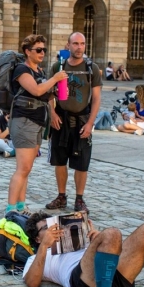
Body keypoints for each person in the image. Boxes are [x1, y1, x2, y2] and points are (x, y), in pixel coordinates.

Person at [7, 34, 67, 214]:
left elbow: (44, 95)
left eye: (44, 50)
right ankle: (10, 210)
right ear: (27, 51)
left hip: (38, 122)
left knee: (27, 168)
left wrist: (57, 91)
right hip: (24, 120)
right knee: (23, 168)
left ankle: (20, 206)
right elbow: (35, 89)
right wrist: (55, 79)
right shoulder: (21, 70)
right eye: (38, 50)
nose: (42, 53)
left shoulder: (39, 72)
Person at [45, 32, 102, 214]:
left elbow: (96, 98)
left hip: (82, 120)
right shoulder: (57, 66)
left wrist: (90, 123)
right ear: (68, 45)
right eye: (75, 43)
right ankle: (61, 196)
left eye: (82, 44)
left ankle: (79, 198)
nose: (79, 47)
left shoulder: (92, 68)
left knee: (81, 162)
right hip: (61, 119)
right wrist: (52, 113)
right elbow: (49, 94)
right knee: (60, 161)